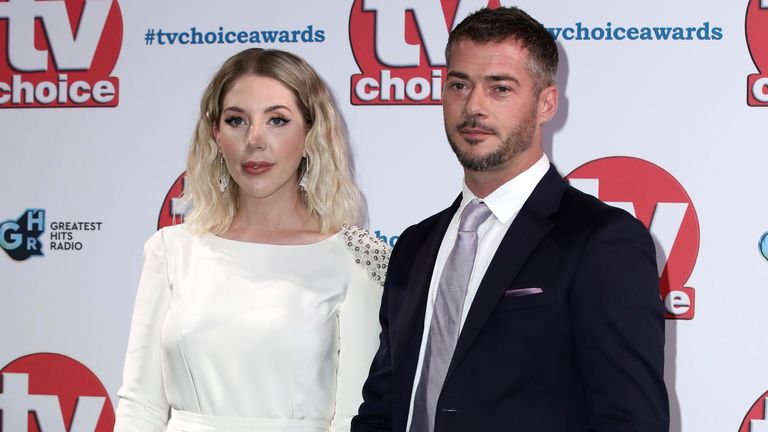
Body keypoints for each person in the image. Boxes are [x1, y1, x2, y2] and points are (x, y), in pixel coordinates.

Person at [352, 7, 669, 432]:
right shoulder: (414, 246)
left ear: (546, 103)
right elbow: (383, 405)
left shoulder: (602, 241)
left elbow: (631, 420)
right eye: (459, 85)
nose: (474, 107)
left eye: (500, 89)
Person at [115, 48, 390, 432]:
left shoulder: (356, 259)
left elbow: (354, 419)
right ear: (216, 135)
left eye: (277, 120)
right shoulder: (172, 250)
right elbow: (139, 408)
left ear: (312, 133)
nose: (254, 139)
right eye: (236, 120)